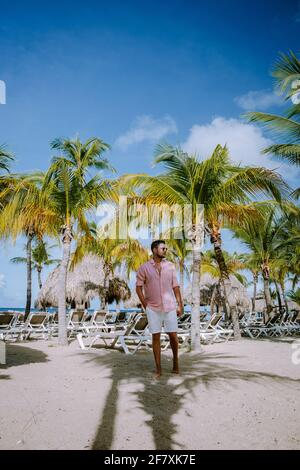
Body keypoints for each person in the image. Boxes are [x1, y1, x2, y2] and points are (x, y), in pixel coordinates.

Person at [136, 240, 184, 379]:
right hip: (153, 308)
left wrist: (180, 304)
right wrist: (145, 304)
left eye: (166, 248)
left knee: (173, 336)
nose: (165, 250)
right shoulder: (144, 268)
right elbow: (138, 287)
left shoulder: (170, 266)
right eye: (163, 248)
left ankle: (175, 361)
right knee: (155, 337)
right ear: (154, 249)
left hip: (169, 307)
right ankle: (158, 369)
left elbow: (175, 286)